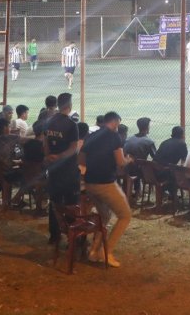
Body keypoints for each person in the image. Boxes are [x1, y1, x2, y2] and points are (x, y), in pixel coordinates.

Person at [80, 110, 131, 267]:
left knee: (105, 216)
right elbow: (120, 162)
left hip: (90, 183)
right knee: (125, 215)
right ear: (115, 122)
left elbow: (80, 155)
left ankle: (93, 251)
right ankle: (106, 252)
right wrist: (129, 159)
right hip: (106, 183)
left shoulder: (92, 135)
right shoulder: (115, 136)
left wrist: (86, 170)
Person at [43, 93, 80, 245]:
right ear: (69, 106)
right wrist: (60, 156)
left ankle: (54, 235)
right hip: (68, 170)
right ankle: (72, 235)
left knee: (55, 201)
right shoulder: (72, 125)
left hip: (53, 169)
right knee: (71, 202)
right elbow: (73, 149)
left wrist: (49, 156)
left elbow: (45, 142)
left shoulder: (49, 121)